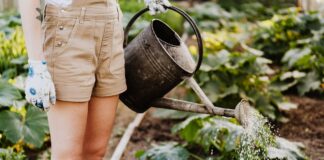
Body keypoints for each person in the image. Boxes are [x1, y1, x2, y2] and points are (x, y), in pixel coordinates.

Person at [18, 0, 170, 159]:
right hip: (68, 28)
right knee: (67, 155)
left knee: (95, 151)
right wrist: (36, 63)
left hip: (111, 24)